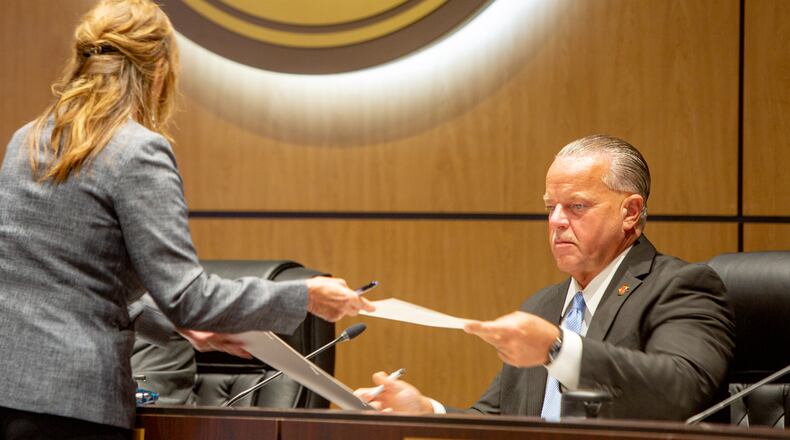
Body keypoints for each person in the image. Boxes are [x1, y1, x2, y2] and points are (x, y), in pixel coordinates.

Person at [0, 0, 373, 438]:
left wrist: (182, 326)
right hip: (73, 405)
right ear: (159, 71)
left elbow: (70, 280)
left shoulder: (28, 138)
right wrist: (304, 296)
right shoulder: (137, 150)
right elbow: (187, 295)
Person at [356, 135, 735, 421]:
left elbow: (681, 389)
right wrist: (428, 411)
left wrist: (558, 349)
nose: (556, 221)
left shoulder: (681, 287)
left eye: (576, 207)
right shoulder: (544, 306)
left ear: (631, 212)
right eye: (550, 208)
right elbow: (498, 423)